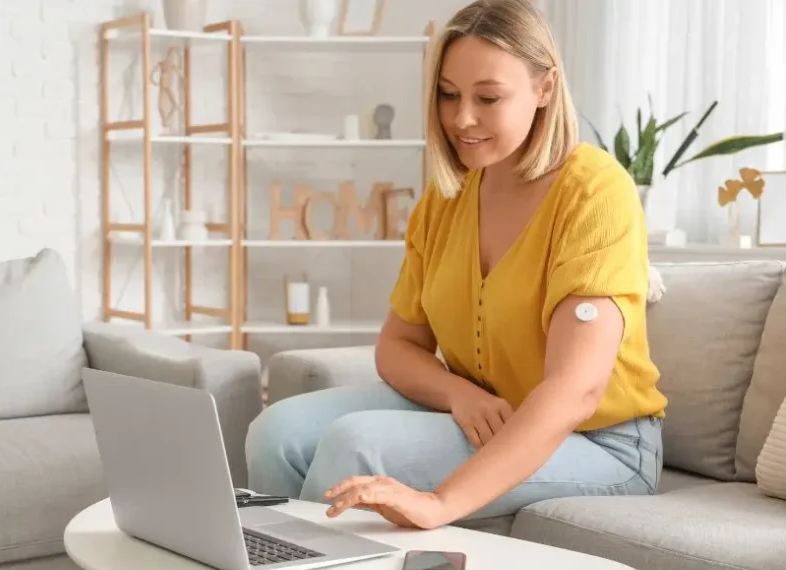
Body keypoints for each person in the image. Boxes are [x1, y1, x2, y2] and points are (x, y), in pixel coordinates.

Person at [244, 0, 667, 531]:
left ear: (545, 89)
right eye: (448, 95)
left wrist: (440, 503)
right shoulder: (448, 197)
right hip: (486, 413)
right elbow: (397, 347)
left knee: (358, 446)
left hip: (601, 443)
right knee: (276, 432)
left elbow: (575, 391)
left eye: (488, 97)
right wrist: (458, 394)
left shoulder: (595, 192)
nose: (461, 119)